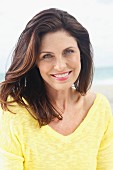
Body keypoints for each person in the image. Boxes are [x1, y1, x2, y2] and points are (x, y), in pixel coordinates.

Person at [0, 8, 113, 170]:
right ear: (34, 62)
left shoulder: (99, 108)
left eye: (68, 52)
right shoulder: (15, 110)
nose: (60, 65)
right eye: (47, 56)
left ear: (81, 53)